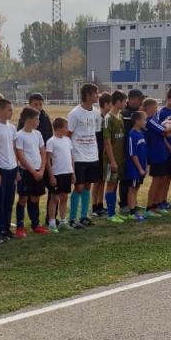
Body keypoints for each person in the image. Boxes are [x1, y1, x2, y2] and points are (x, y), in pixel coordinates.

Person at [66, 83, 102, 228]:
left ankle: (84, 217)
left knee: (87, 186)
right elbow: (68, 135)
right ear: (87, 95)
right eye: (95, 93)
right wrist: (70, 156)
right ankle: (72, 219)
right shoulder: (74, 113)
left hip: (92, 156)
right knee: (79, 187)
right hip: (79, 156)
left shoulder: (96, 112)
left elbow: (96, 132)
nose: (97, 96)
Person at [14, 106, 49, 237]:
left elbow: (43, 151)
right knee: (23, 198)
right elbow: (20, 156)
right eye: (36, 119)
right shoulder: (19, 135)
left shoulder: (38, 134)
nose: (38, 122)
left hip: (39, 171)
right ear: (27, 120)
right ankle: (20, 227)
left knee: (35, 198)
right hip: (26, 172)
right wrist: (33, 172)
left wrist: (41, 169)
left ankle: (35, 225)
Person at [0, 98, 18, 240]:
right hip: (1, 168)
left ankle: (6, 227)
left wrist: (17, 168)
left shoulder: (12, 127)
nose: (11, 112)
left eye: (11, 109)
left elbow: (13, 148)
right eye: (9, 109)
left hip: (12, 167)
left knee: (9, 200)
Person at [45, 117, 75, 232]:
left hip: (67, 173)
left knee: (64, 197)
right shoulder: (51, 141)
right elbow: (47, 160)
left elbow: (71, 157)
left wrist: (72, 173)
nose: (67, 129)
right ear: (58, 128)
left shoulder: (67, 140)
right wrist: (51, 176)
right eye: (66, 127)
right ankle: (52, 223)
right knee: (54, 199)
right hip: (57, 174)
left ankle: (63, 221)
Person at [102, 90, 127, 223]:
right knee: (111, 184)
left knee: (116, 183)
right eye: (123, 101)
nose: (125, 103)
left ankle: (114, 212)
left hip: (120, 158)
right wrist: (112, 161)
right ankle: (111, 214)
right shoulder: (108, 118)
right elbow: (107, 142)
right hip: (111, 160)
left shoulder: (121, 116)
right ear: (117, 101)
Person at [125, 111, 149, 220]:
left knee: (137, 187)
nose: (145, 122)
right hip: (134, 169)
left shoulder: (141, 133)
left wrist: (146, 166)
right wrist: (139, 168)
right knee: (132, 188)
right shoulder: (132, 135)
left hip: (141, 168)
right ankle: (131, 212)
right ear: (137, 121)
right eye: (144, 120)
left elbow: (144, 151)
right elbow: (133, 154)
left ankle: (134, 208)